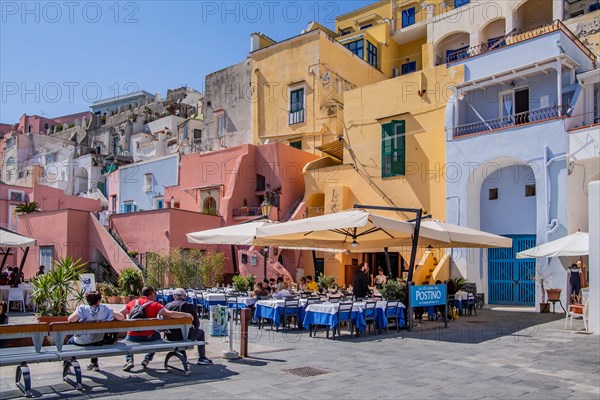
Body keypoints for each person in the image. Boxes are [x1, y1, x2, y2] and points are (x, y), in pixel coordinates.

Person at [119, 285, 193, 372]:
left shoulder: (133, 302)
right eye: (154, 293)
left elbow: (120, 314)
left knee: (127, 341)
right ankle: (147, 359)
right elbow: (170, 314)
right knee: (158, 337)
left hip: (132, 336)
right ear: (151, 294)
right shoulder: (155, 305)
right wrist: (185, 314)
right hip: (148, 336)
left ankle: (129, 360)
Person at [67, 291, 124, 371]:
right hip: (98, 340)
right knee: (94, 337)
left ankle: (67, 365)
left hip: (82, 341)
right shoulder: (105, 309)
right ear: (98, 301)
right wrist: (111, 311)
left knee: (69, 342)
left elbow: (70, 319)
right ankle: (94, 363)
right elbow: (121, 317)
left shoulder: (83, 309)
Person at [164, 288, 212, 365]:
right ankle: (202, 357)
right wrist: (195, 327)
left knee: (181, 333)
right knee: (200, 332)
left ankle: (184, 358)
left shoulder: (167, 306)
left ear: (174, 296)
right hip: (186, 336)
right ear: (184, 296)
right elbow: (196, 323)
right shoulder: (189, 305)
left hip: (170, 336)